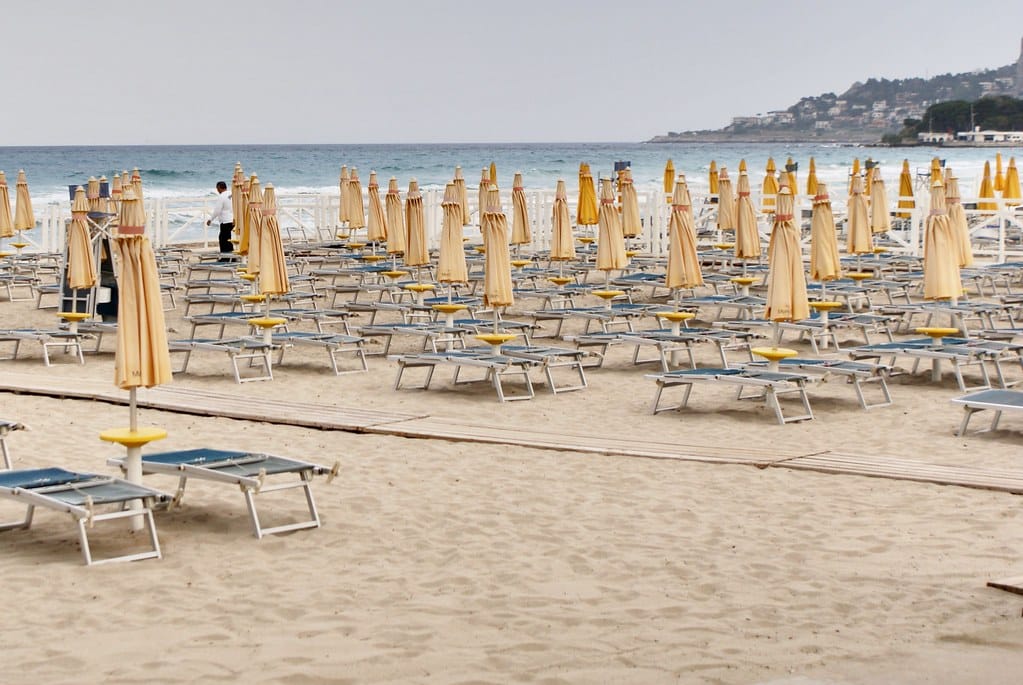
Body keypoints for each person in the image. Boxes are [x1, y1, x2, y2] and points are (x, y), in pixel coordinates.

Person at [206, 181, 234, 260]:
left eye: (217, 188)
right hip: (232, 220)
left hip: (225, 220)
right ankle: (231, 257)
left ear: (219, 188)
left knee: (223, 239)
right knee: (227, 238)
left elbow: (217, 210)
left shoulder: (221, 196)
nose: (217, 190)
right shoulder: (231, 194)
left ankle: (225, 257)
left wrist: (210, 219)